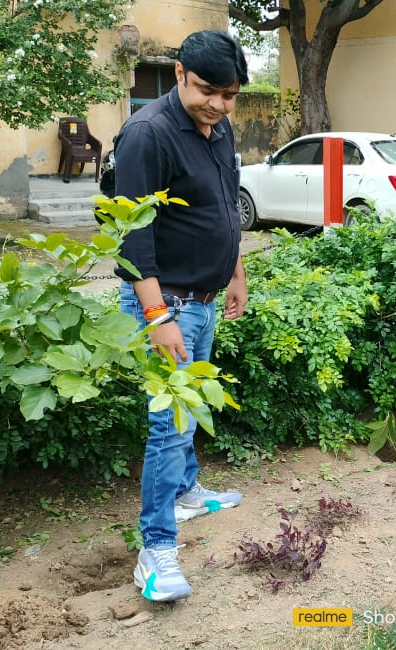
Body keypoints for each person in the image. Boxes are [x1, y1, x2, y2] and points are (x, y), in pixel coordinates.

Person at [113, 30, 249, 601]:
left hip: (205, 297)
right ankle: (156, 551)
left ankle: (189, 493)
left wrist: (235, 269)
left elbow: (225, 199)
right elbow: (132, 234)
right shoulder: (147, 135)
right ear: (177, 74)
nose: (217, 104)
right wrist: (157, 313)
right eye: (207, 91)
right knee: (169, 427)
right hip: (166, 304)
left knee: (190, 410)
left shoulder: (217, 128)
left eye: (229, 94)